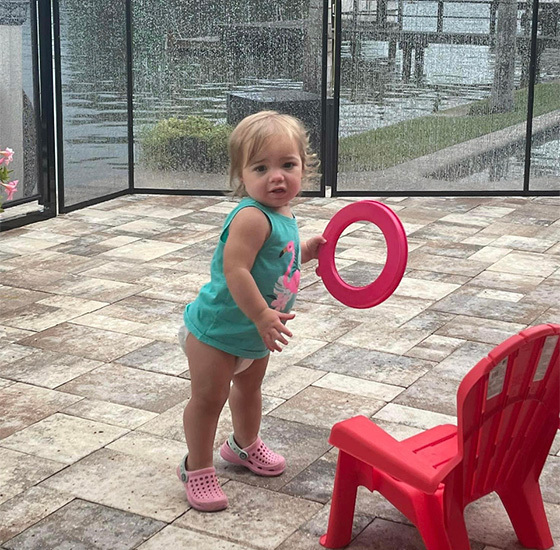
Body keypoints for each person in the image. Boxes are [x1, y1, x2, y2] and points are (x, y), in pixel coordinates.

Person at [177, 110, 325, 512]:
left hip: (252, 334)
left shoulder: (284, 213)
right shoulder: (250, 216)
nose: (276, 176)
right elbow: (236, 269)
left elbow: (277, 261)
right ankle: (198, 466)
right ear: (241, 176)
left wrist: (306, 252)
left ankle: (243, 446)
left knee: (248, 390)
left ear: (303, 168)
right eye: (261, 167)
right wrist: (262, 315)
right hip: (218, 331)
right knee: (209, 400)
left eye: (287, 165)